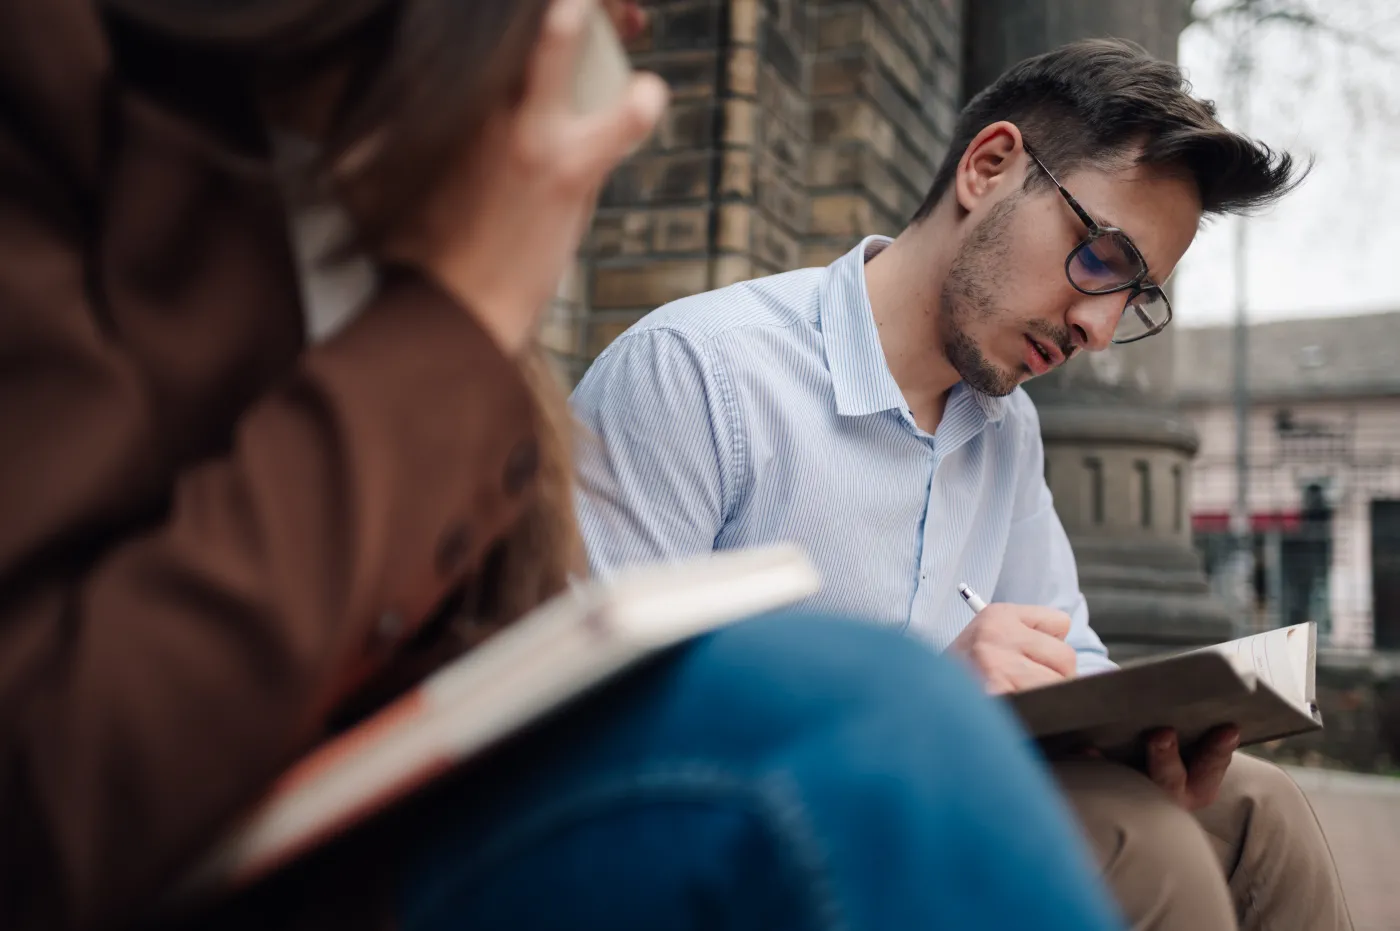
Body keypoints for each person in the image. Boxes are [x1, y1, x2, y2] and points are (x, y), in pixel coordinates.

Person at [0, 2, 1128, 930]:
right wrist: (459, 313)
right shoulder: (65, 90)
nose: (640, 23)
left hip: (419, 808)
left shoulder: (405, 182)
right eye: (1096, 260)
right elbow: (48, 795)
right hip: (268, 858)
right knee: (875, 737)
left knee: (1213, 821)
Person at [572, 37, 1353, 931]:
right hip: (754, 850)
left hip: (937, 811)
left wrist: (1150, 741)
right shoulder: (695, 374)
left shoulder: (1003, 428)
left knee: (1262, 814)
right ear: (989, 166)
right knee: (1152, 851)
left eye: (1134, 297)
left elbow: (1073, 660)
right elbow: (589, 744)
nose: (1098, 329)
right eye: (1099, 257)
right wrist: (916, 704)